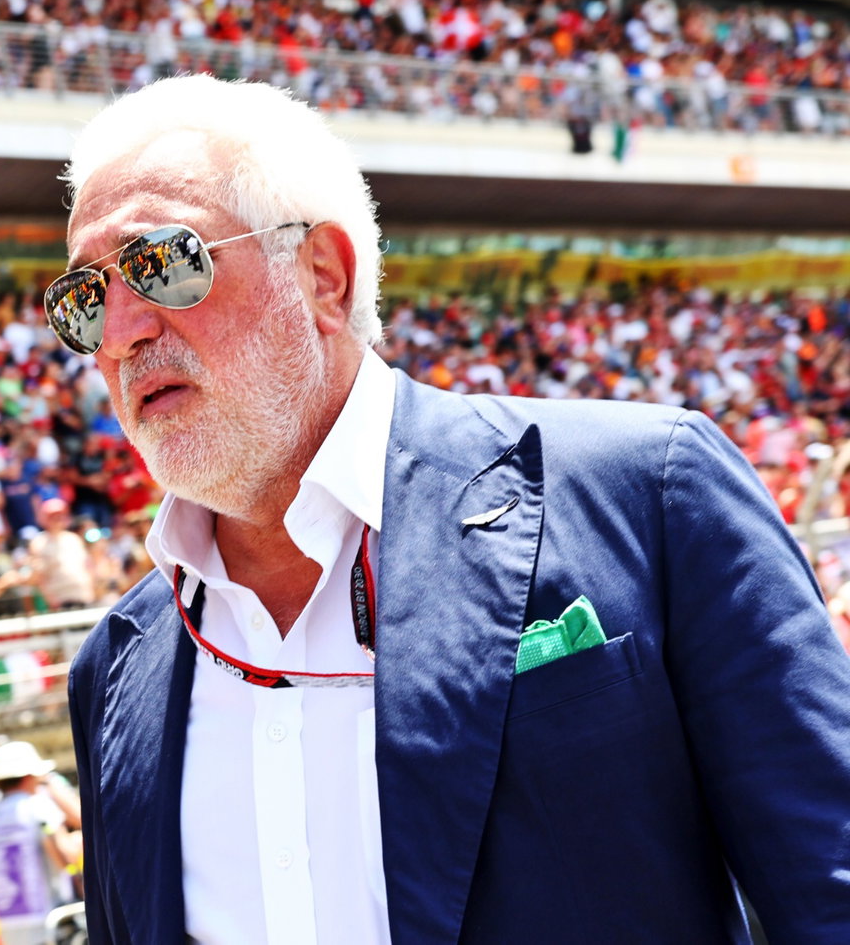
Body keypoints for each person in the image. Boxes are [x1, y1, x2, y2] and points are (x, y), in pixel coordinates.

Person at [57, 75, 850, 944]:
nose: (122, 330)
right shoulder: (115, 669)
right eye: (85, 300)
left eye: (161, 265)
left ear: (322, 275)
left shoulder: (647, 490)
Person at [0, 741, 78, 945]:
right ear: (29, 776)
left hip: (11, 934)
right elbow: (67, 858)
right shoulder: (38, 807)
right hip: (53, 929)